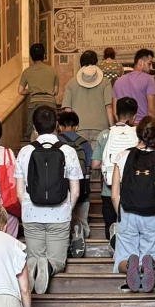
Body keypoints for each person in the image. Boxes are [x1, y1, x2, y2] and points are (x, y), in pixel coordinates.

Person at [14, 105, 82, 294]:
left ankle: (34, 265)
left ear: (35, 128)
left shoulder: (25, 152)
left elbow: (19, 192)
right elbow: (75, 191)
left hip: (32, 214)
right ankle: (49, 266)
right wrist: (67, 209)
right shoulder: (68, 151)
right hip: (59, 215)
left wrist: (27, 207)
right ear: (57, 125)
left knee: (34, 259)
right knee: (58, 261)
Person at [111, 116, 155, 292]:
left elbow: (114, 194)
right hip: (153, 214)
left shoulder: (122, 156)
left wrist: (122, 213)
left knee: (122, 257)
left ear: (137, 133)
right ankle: (150, 263)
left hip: (127, 212)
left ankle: (130, 264)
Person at [91, 96, 139, 246]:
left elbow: (94, 164)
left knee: (111, 227)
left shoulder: (105, 134)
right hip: (134, 191)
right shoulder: (139, 134)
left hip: (109, 190)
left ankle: (114, 247)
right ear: (134, 116)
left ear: (116, 115)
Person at [57, 110, 93, 258]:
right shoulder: (84, 143)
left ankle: (68, 236)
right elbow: (89, 166)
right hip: (81, 186)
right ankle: (81, 229)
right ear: (76, 126)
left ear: (59, 126)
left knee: (61, 221)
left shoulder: (56, 142)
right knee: (82, 218)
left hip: (59, 189)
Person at [61, 50, 114, 147]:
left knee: (81, 155)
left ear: (81, 64)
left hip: (79, 128)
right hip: (101, 128)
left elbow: (67, 110)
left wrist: (68, 130)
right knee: (99, 156)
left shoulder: (71, 83)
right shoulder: (105, 82)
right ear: (96, 63)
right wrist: (112, 128)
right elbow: (109, 107)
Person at [18, 43, 59, 139]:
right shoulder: (53, 71)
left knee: (31, 131)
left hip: (34, 103)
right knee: (52, 131)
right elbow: (55, 91)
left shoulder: (27, 71)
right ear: (44, 55)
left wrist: (31, 90)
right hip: (50, 103)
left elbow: (20, 91)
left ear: (31, 56)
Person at [112, 49, 155, 122]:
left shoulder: (118, 81)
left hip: (123, 126)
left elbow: (115, 112)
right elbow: (151, 110)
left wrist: (123, 125)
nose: (151, 68)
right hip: (142, 125)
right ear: (140, 62)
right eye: (149, 64)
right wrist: (153, 126)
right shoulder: (149, 79)